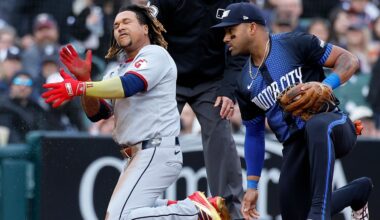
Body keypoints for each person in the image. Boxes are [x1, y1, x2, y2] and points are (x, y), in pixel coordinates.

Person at [42, 5, 228, 220]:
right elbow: (97, 113)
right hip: (135, 155)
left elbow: (129, 85)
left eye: (127, 22)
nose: (120, 27)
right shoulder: (117, 69)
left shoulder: (156, 54)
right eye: (116, 25)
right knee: (128, 214)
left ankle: (196, 212)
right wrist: (85, 81)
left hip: (156, 149)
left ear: (146, 28)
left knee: (122, 218)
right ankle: (187, 205)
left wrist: (79, 87)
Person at [212, 2, 373, 220]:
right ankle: (358, 191)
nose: (225, 38)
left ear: (251, 28)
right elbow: (254, 134)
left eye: (231, 31)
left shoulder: (293, 43)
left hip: (334, 127)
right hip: (295, 146)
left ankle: (319, 214)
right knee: (293, 214)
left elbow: (349, 60)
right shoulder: (243, 82)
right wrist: (252, 185)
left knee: (317, 126)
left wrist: (326, 85)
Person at [148, 0, 246, 218]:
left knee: (220, 132)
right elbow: (147, 33)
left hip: (212, 81)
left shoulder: (234, 2)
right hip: (169, 76)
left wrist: (228, 90)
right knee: (152, 135)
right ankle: (139, 205)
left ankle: (229, 211)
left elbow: (240, 49)